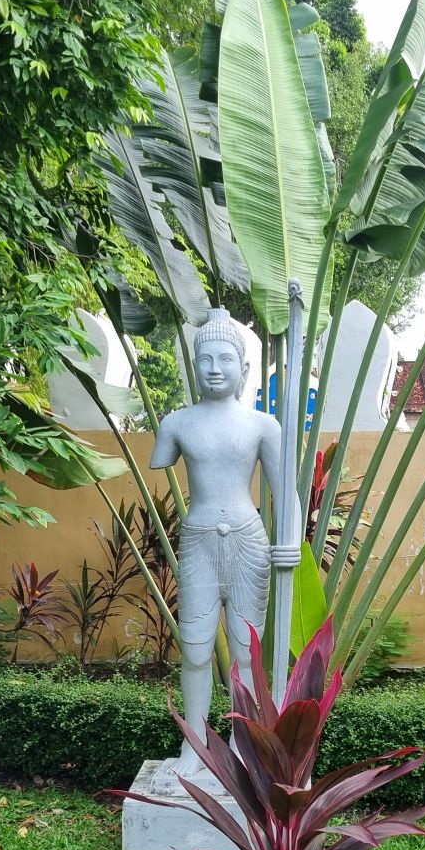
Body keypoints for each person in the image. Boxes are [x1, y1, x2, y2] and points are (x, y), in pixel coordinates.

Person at [150, 309, 280, 773]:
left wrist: (287, 543)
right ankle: (196, 743)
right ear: (193, 367)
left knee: (246, 651)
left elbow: (284, 493)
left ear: (244, 368)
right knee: (195, 648)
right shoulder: (177, 424)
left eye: (225, 359)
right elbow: (161, 461)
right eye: (205, 359)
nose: (214, 368)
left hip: (249, 541)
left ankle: (244, 742)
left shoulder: (263, 426)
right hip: (199, 541)